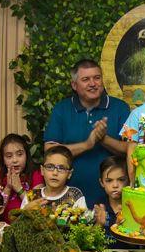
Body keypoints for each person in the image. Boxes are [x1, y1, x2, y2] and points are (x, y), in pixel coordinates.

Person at [43, 59, 129, 208]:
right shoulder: (61, 109)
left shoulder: (120, 108)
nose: (93, 83)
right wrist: (87, 144)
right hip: (69, 199)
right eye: (86, 79)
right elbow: (50, 150)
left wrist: (103, 139)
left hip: (113, 199)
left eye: (97, 78)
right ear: (74, 85)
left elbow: (130, 149)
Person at [0, 133, 43, 219]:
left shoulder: (36, 174)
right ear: (3, 159)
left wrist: (19, 188)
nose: (15, 160)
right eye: (9, 156)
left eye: (19, 154)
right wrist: (8, 187)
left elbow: (37, 207)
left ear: (26, 155)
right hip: (5, 224)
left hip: (29, 223)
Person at [23, 145, 86, 209]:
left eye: (61, 168)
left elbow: (83, 215)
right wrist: (25, 211)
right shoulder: (31, 196)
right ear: (42, 170)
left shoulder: (75, 195)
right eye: (50, 167)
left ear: (69, 174)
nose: (55, 173)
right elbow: (19, 215)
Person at [93, 155, 129, 246]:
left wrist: (119, 227)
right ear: (101, 182)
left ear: (129, 180)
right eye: (109, 180)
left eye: (121, 180)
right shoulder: (99, 206)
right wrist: (99, 224)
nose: (115, 185)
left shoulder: (132, 207)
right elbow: (89, 242)